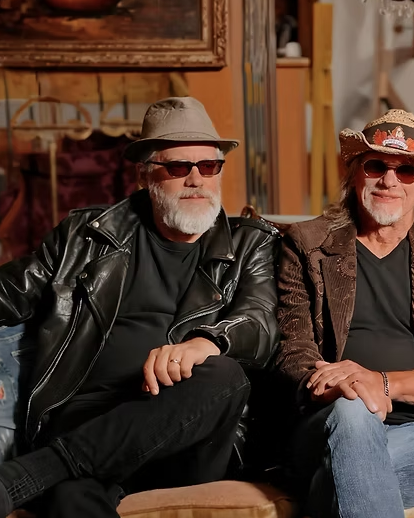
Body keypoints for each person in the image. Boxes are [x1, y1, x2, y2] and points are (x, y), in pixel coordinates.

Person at [0, 96, 280, 517]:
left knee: (224, 374)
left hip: (187, 432)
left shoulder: (249, 244)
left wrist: (206, 342)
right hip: (88, 418)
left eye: (209, 166)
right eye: (178, 167)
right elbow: (7, 293)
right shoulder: (85, 237)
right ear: (145, 175)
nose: (196, 180)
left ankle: (32, 473)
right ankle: (59, 469)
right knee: (69, 499)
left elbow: (260, 321)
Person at [274, 109, 414, 518]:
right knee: (354, 412)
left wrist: (379, 384)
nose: (389, 181)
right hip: (327, 416)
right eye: (376, 166)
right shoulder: (307, 243)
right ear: (355, 174)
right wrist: (349, 390)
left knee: (338, 478)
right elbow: (293, 350)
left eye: (407, 171)